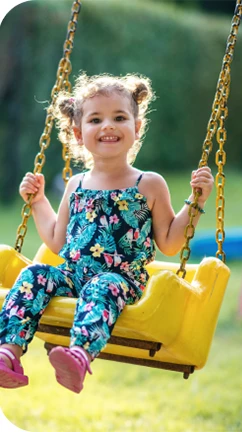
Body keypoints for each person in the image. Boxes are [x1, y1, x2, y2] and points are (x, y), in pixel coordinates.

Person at [0, 72, 214, 393]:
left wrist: (195, 202)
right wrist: (38, 202)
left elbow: (170, 242)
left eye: (119, 117)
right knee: (35, 274)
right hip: (72, 277)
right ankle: (7, 353)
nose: (108, 125)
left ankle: (78, 358)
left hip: (121, 283)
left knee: (102, 284)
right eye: (96, 119)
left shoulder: (149, 183)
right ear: (77, 132)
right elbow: (58, 240)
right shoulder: (76, 184)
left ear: (136, 127)